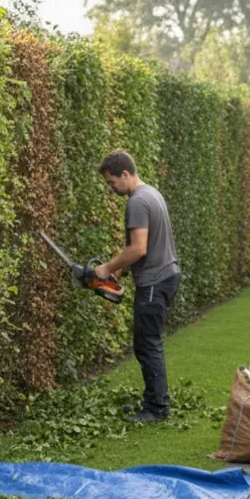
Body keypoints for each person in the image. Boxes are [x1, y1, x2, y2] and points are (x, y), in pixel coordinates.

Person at [92, 150, 181, 423]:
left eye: (112, 182)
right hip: (165, 275)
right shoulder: (151, 193)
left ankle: (156, 409)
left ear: (126, 174)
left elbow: (139, 248)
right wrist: (118, 270)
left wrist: (106, 268)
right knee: (147, 343)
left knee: (147, 344)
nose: (111, 188)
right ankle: (153, 402)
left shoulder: (137, 202)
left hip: (155, 281)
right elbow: (145, 247)